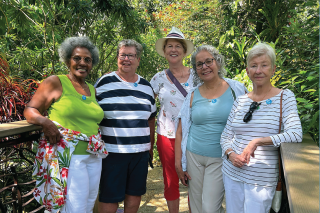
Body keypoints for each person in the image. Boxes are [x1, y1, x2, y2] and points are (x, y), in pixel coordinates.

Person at [24, 36, 107, 213]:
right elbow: (30, 110)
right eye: (77, 58)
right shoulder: (55, 82)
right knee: (74, 207)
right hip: (70, 156)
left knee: (89, 203)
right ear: (68, 59)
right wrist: (45, 122)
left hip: (93, 154)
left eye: (88, 59)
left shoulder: (91, 89)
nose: (82, 63)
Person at [220, 42, 303, 213]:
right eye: (254, 66)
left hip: (261, 179)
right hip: (232, 172)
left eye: (264, 65)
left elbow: (295, 134)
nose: (259, 70)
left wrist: (257, 141)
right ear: (248, 71)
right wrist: (230, 154)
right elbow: (225, 136)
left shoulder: (284, 97)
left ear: (273, 70)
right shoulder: (241, 100)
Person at [175, 45, 248, 213]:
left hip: (221, 157)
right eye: (199, 64)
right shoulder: (192, 94)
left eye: (209, 61)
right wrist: (178, 163)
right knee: (196, 206)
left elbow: (250, 120)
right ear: (195, 69)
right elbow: (180, 130)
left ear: (218, 63)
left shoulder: (236, 89)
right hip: (193, 156)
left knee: (209, 208)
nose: (204, 67)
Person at [95, 39, 156, 213]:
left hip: (140, 152)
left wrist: (151, 147)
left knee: (134, 194)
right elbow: (92, 115)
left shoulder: (146, 86)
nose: (127, 59)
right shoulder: (103, 83)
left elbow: (151, 119)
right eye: (123, 55)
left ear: (138, 60)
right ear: (117, 58)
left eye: (131, 55)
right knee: (109, 196)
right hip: (112, 152)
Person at [150, 26, 195, 213]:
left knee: (195, 178)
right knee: (170, 178)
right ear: (164, 51)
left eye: (178, 46)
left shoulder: (198, 76)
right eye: (169, 46)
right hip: (166, 134)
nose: (173, 49)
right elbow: (147, 108)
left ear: (184, 51)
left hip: (194, 135)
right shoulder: (158, 78)